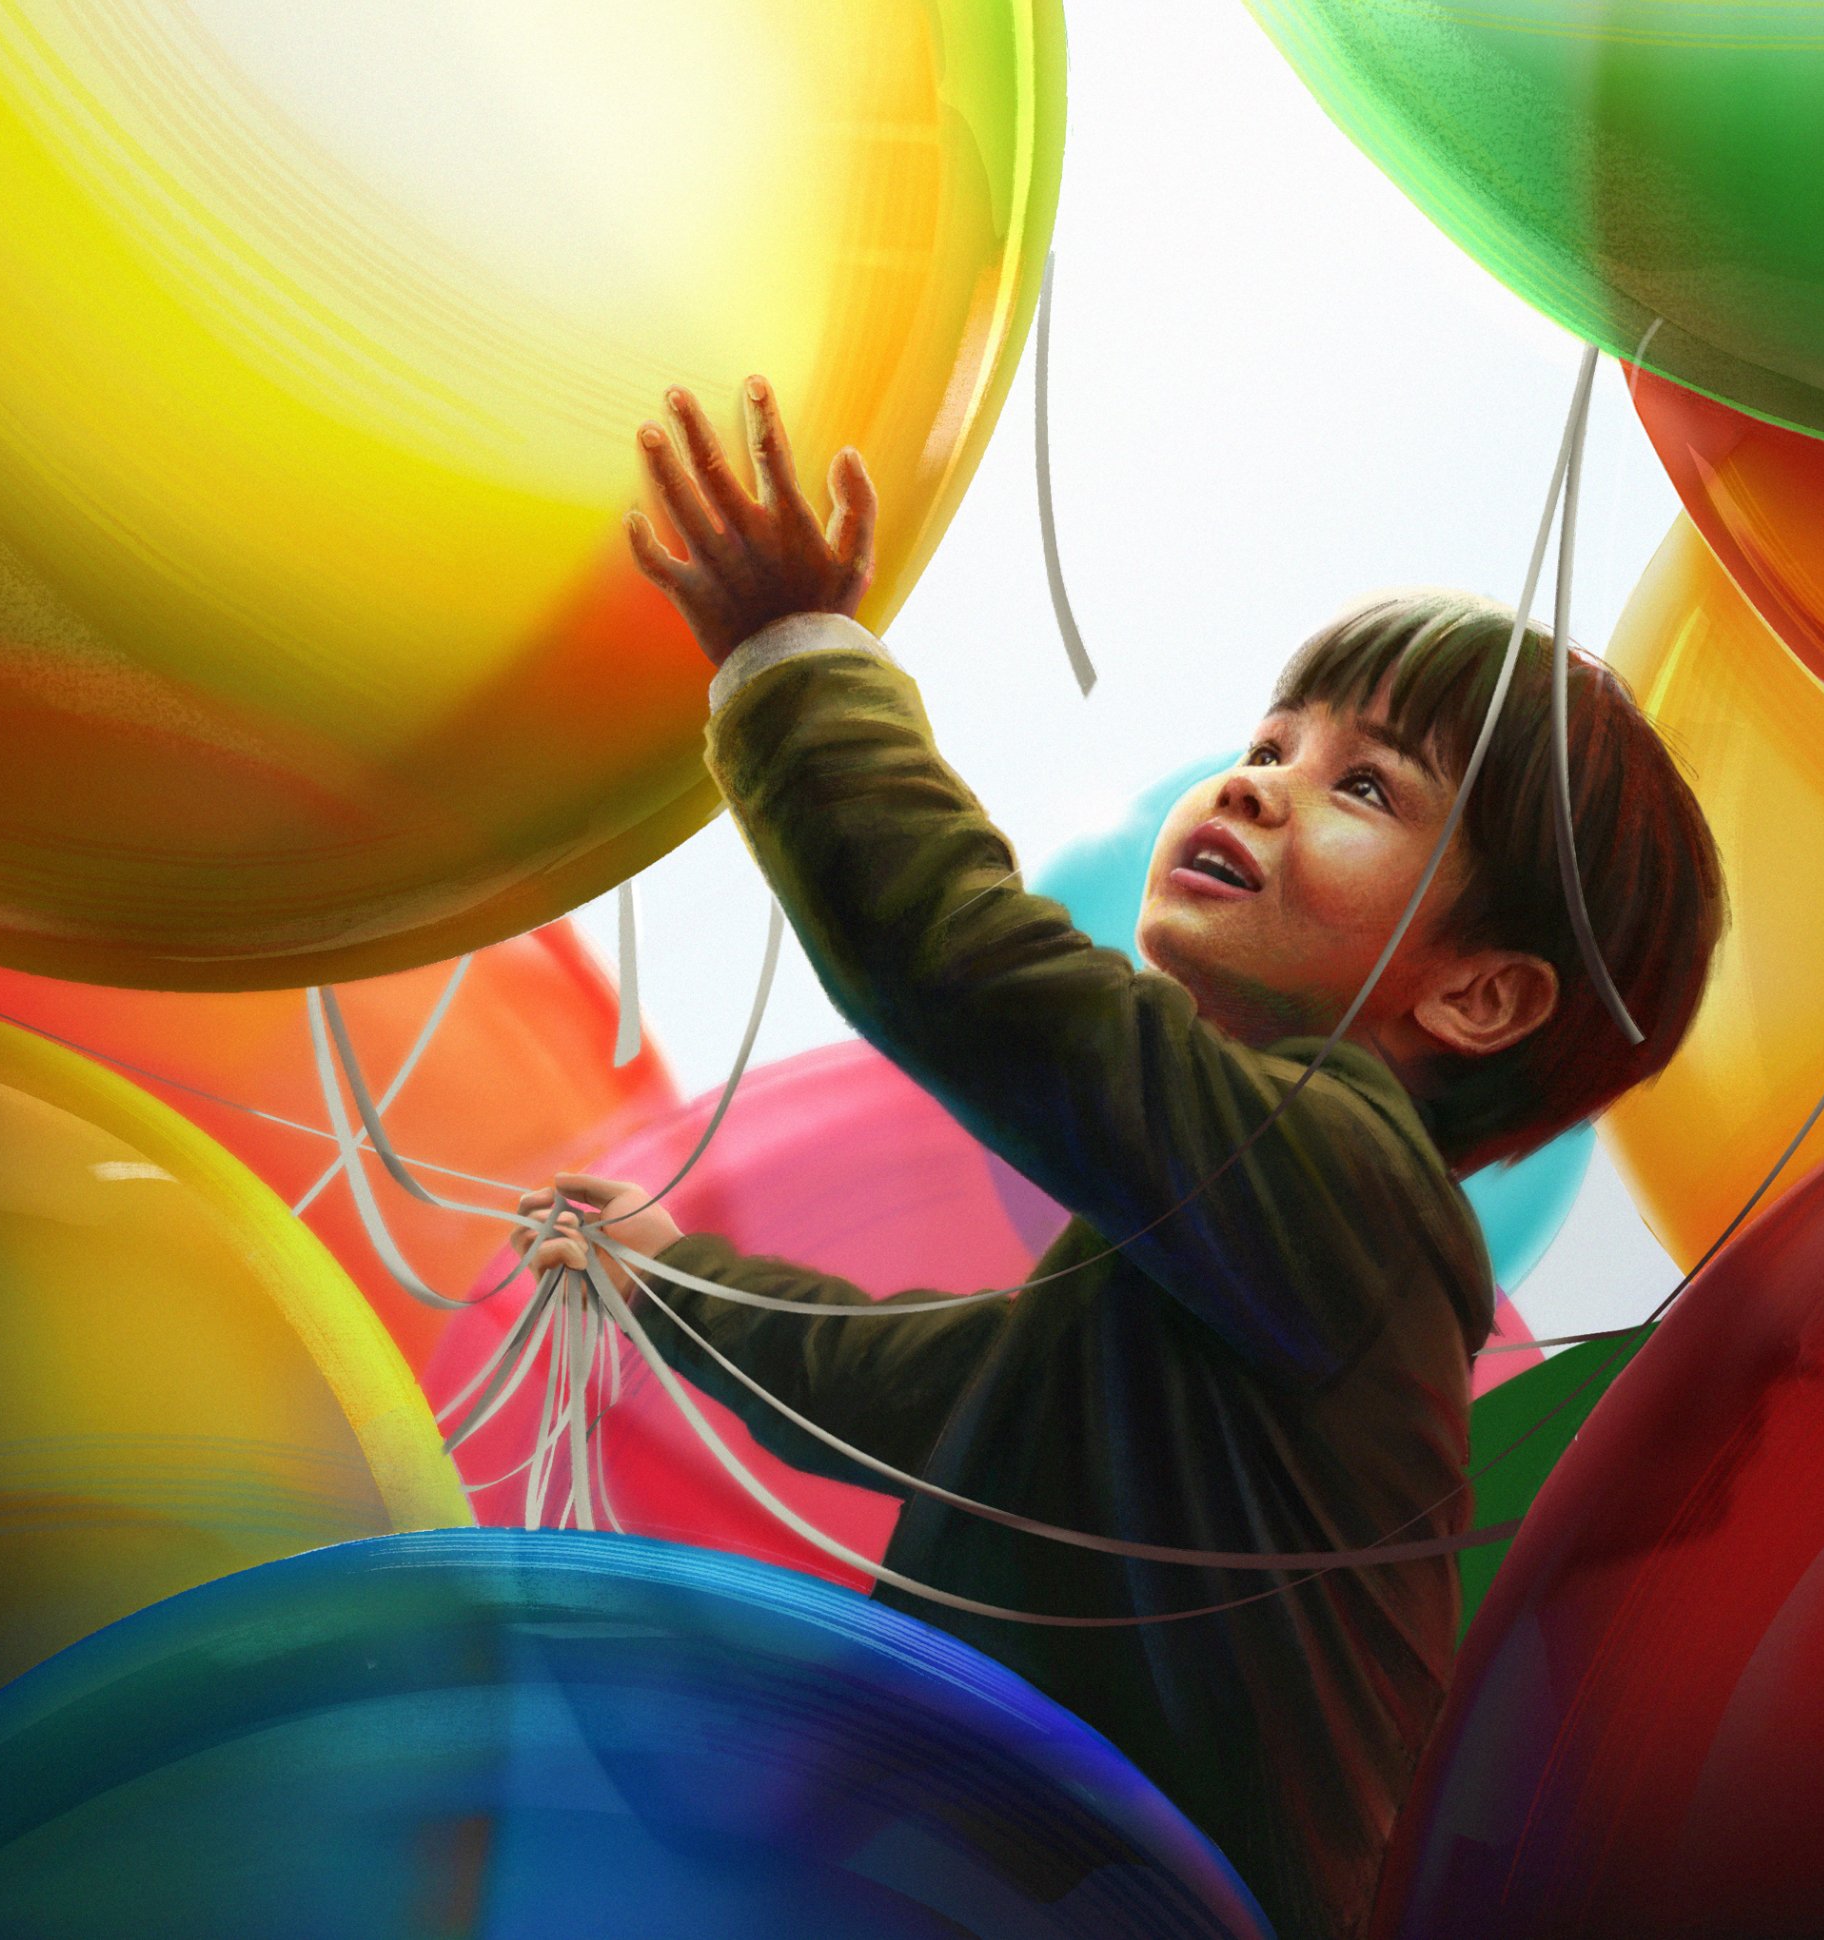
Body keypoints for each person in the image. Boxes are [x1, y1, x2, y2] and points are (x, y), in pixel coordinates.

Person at [518, 376, 1723, 1940]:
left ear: (1477, 995)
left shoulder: (1342, 1188)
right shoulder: (1227, 1250)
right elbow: (942, 1396)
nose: (1255, 780)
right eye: (1271, 739)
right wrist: (674, 1284)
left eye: (1363, 786)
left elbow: (981, 981)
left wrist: (790, 656)